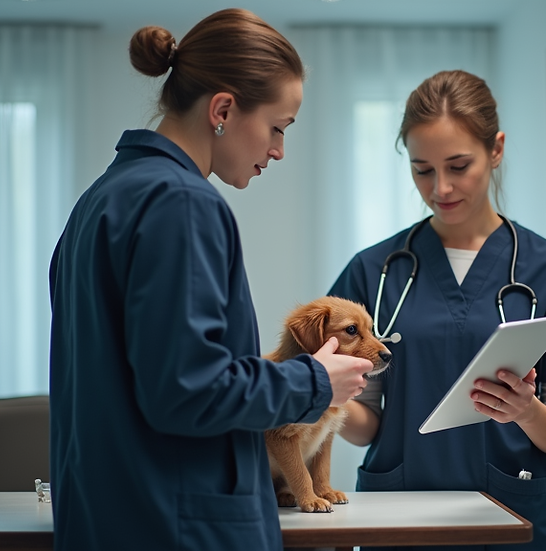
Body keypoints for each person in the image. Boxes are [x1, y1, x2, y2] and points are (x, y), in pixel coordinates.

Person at [47, 9, 373, 551]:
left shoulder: (99, 202)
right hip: (175, 526)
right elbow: (185, 390)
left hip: (106, 516)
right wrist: (316, 383)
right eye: (277, 128)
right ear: (222, 109)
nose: (278, 151)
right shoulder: (181, 203)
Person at [329, 69, 546, 551]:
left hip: (514, 512)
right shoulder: (374, 271)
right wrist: (326, 397)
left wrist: (528, 412)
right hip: (400, 515)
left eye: (458, 165)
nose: (440, 187)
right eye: (422, 169)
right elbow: (365, 423)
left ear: (497, 150)